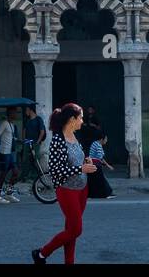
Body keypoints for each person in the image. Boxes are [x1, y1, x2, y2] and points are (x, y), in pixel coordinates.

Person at [32, 103, 98, 265]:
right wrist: (81, 168)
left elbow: (76, 159)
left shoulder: (75, 136)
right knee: (76, 229)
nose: (82, 121)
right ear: (71, 119)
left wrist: (85, 160)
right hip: (67, 190)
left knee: (71, 230)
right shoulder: (57, 140)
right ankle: (41, 253)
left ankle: (69, 262)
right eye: (80, 117)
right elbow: (56, 170)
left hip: (82, 188)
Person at [0, 108, 19, 203]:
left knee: (15, 172)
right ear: (10, 114)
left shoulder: (11, 125)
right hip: (4, 153)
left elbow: (11, 138)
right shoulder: (4, 123)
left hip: (10, 153)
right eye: (15, 113)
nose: (16, 115)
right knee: (3, 175)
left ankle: (8, 193)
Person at [21, 104, 47, 180]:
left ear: (30, 110)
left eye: (26, 110)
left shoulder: (38, 119)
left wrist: (38, 142)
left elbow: (42, 131)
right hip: (27, 143)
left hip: (35, 143)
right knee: (25, 159)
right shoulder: (27, 120)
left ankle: (35, 176)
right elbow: (24, 130)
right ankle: (24, 175)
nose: (26, 112)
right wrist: (24, 140)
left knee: (35, 159)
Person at [87, 131, 114, 199]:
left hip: (92, 164)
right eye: (106, 139)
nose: (106, 141)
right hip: (96, 165)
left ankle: (91, 195)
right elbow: (100, 158)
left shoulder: (94, 143)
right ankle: (107, 193)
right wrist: (108, 166)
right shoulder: (98, 146)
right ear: (102, 139)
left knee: (93, 181)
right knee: (101, 181)